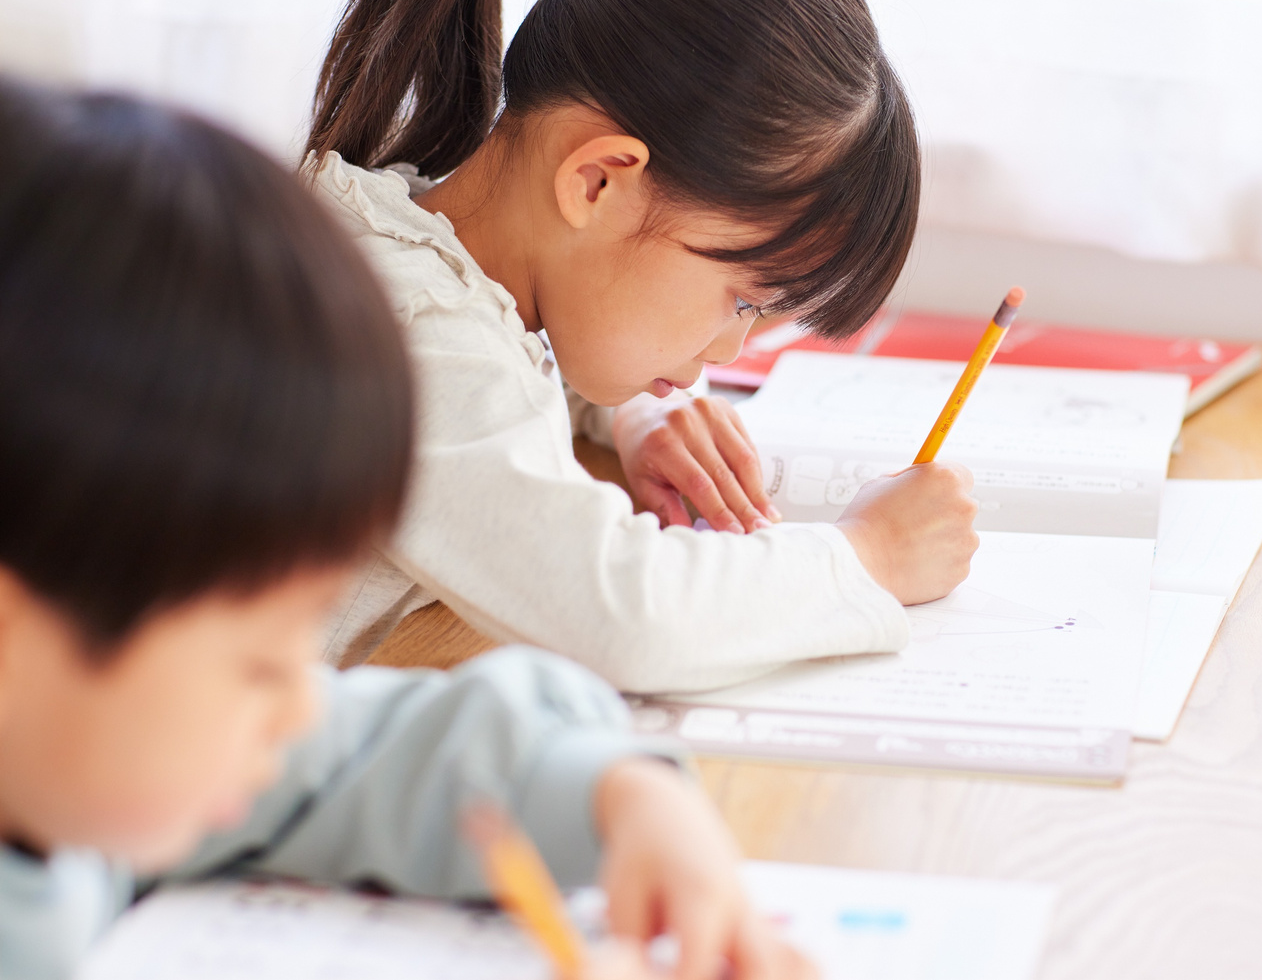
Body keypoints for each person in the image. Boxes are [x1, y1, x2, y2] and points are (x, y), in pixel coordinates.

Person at [0, 80, 810, 980]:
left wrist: (614, 790)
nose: (303, 697)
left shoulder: (74, 747)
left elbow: (340, 758)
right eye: (261, 663)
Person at [306, 0, 982, 690]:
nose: (728, 352)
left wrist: (635, 410)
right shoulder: (397, 335)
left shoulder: (410, 247)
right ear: (596, 182)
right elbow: (628, 616)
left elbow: (494, 356)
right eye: (743, 299)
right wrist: (871, 554)